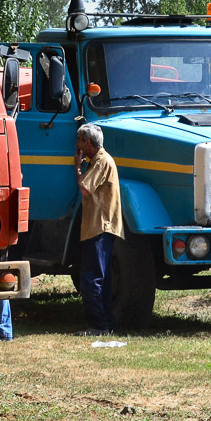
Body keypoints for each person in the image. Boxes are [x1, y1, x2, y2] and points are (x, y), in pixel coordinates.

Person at [74, 123, 124, 335]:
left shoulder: (101, 160)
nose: (77, 146)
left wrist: (77, 167)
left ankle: (98, 325)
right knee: (102, 279)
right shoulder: (99, 160)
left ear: (87, 143)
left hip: (100, 226)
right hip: (99, 226)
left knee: (91, 278)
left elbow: (85, 189)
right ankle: (107, 324)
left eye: (79, 141)